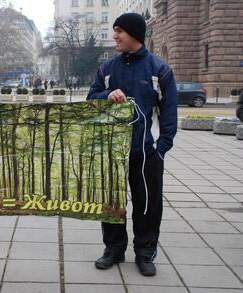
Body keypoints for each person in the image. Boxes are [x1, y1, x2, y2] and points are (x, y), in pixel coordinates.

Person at [87, 13, 178, 276]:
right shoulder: (106, 69)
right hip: (111, 152)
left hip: (146, 153)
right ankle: (114, 249)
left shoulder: (159, 70)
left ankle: (144, 253)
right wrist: (106, 94)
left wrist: (160, 150)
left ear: (135, 35)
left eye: (119, 31)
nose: (114, 36)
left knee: (147, 205)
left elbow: (169, 115)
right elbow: (91, 98)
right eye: (114, 31)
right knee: (112, 202)